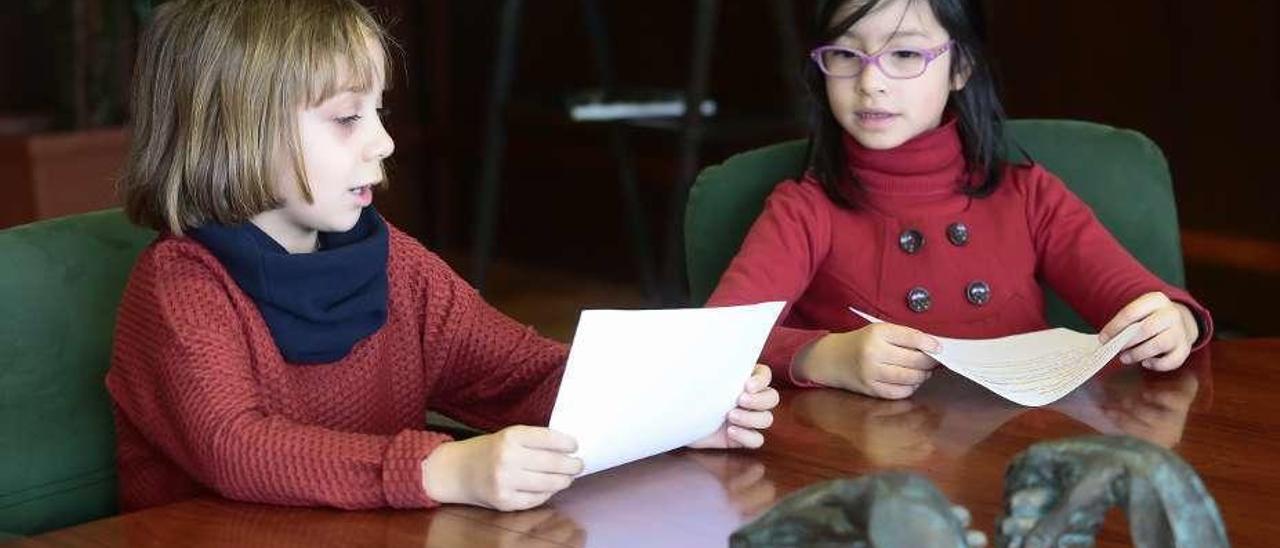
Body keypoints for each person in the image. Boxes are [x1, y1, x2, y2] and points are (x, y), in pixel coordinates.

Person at [108, 0, 778, 513]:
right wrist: (440, 470)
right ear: (232, 129)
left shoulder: (391, 261)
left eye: (380, 110)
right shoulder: (179, 285)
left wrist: (673, 407)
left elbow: (514, 371)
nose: (383, 143)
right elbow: (237, 447)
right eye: (347, 118)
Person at [706, 0, 1212, 399]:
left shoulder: (1030, 195)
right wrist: (827, 358)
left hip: (1022, 455)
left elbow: (1141, 299)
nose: (870, 83)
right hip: (868, 476)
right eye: (844, 54)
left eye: (904, 54)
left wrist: (1175, 321)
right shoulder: (805, 207)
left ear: (960, 66)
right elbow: (714, 341)